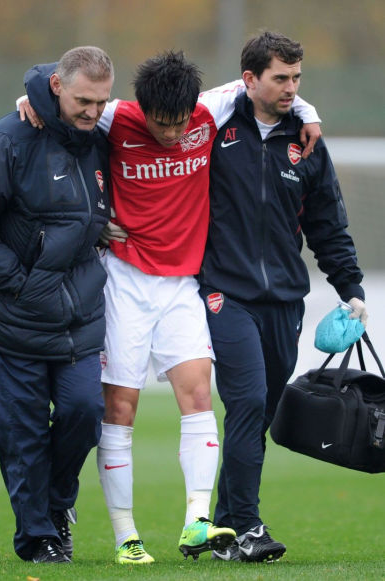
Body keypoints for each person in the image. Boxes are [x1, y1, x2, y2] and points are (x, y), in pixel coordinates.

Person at [18, 50, 322, 564]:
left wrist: (309, 113)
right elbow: (63, 103)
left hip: (182, 285)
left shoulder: (209, 109)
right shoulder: (116, 117)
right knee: (120, 408)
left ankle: (197, 522)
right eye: (161, 124)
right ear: (142, 109)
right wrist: (28, 99)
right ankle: (125, 536)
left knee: (199, 395)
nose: (173, 133)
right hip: (125, 281)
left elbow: (267, 87)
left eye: (180, 123)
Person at [198, 31, 368, 563]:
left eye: (297, 78)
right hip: (224, 293)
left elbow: (327, 224)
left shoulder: (308, 142)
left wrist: (351, 287)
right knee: (247, 401)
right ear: (249, 80)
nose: (291, 88)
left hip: (285, 301)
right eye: (280, 78)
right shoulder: (212, 129)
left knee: (261, 412)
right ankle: (248, 527)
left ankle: (225, 529)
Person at [0, 46, 114, 564]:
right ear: (56, 88)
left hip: (77, 314)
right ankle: (38, 536)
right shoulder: (7, 140)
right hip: (8, 315)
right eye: (83, 101)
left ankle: (57, 507)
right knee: (23, 432)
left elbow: (185, 110)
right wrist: (20, 283)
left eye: (101, 102)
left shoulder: (100, 138)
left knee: (85, 411)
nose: (93, 112)